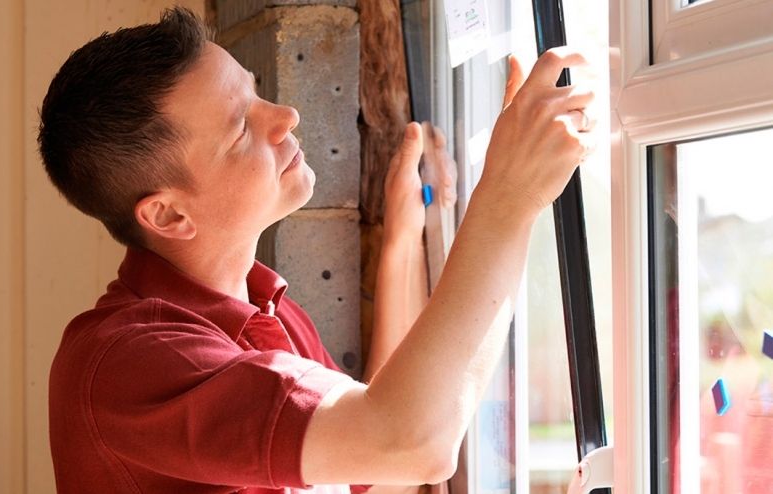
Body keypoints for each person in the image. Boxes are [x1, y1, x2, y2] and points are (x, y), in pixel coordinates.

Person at [37, 6, 595, 494]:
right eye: (240, 128)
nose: (285, 117)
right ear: (168, 215)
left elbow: (376, 467)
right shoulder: (127, 363)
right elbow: (409, 442)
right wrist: (510, 195)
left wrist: (403, 242)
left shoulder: (273, 315)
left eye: (255, 90)